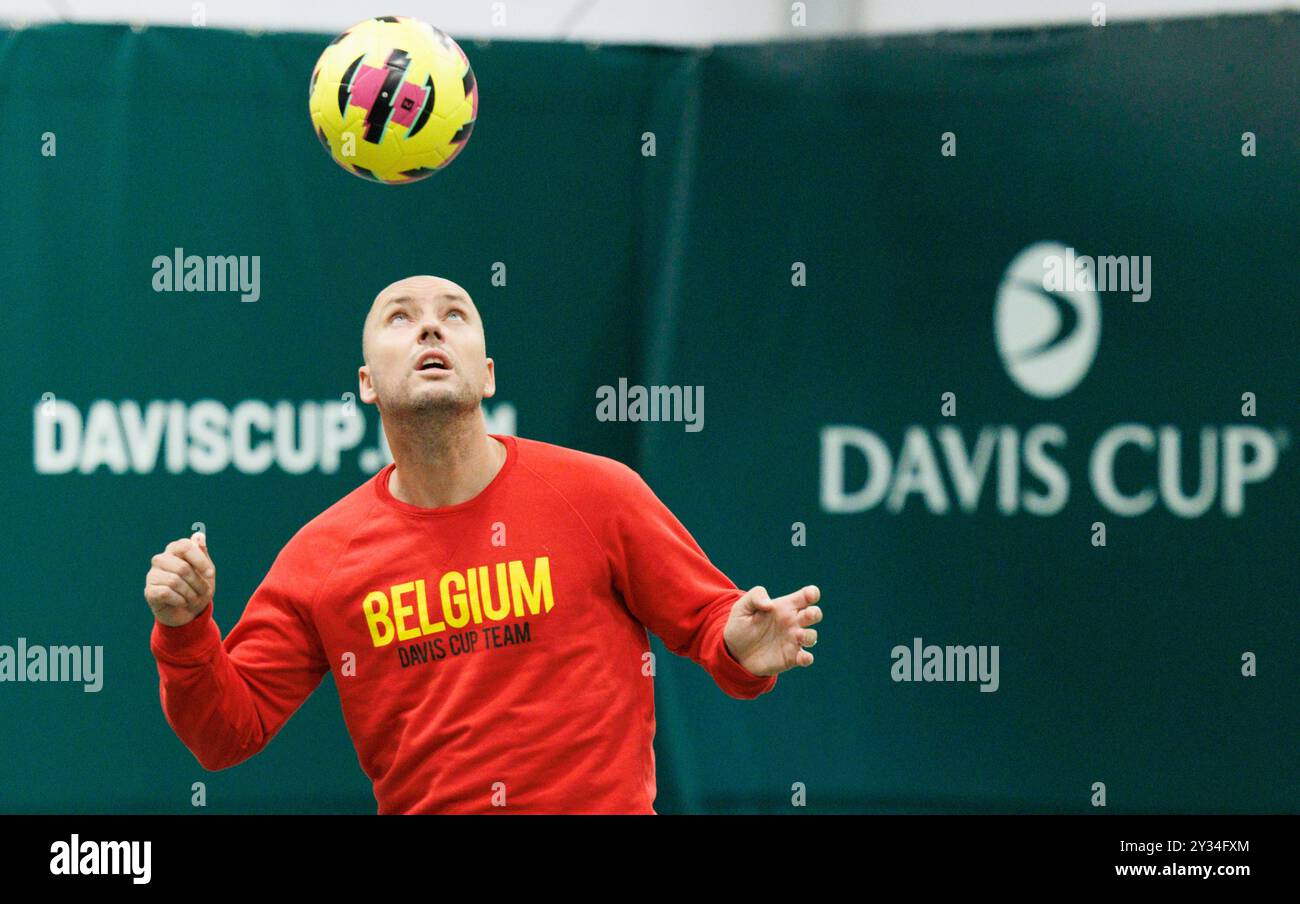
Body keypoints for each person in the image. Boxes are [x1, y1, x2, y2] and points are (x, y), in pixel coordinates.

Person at [144, 274, 823, 814]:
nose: (431, 325)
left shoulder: (600, 494)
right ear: (366, 384)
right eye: (400, 317)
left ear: (489, 374)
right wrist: (185, 631)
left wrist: (740, 644)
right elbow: (225, 734)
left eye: (455, 313)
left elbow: (708, 622)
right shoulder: (322, 557)